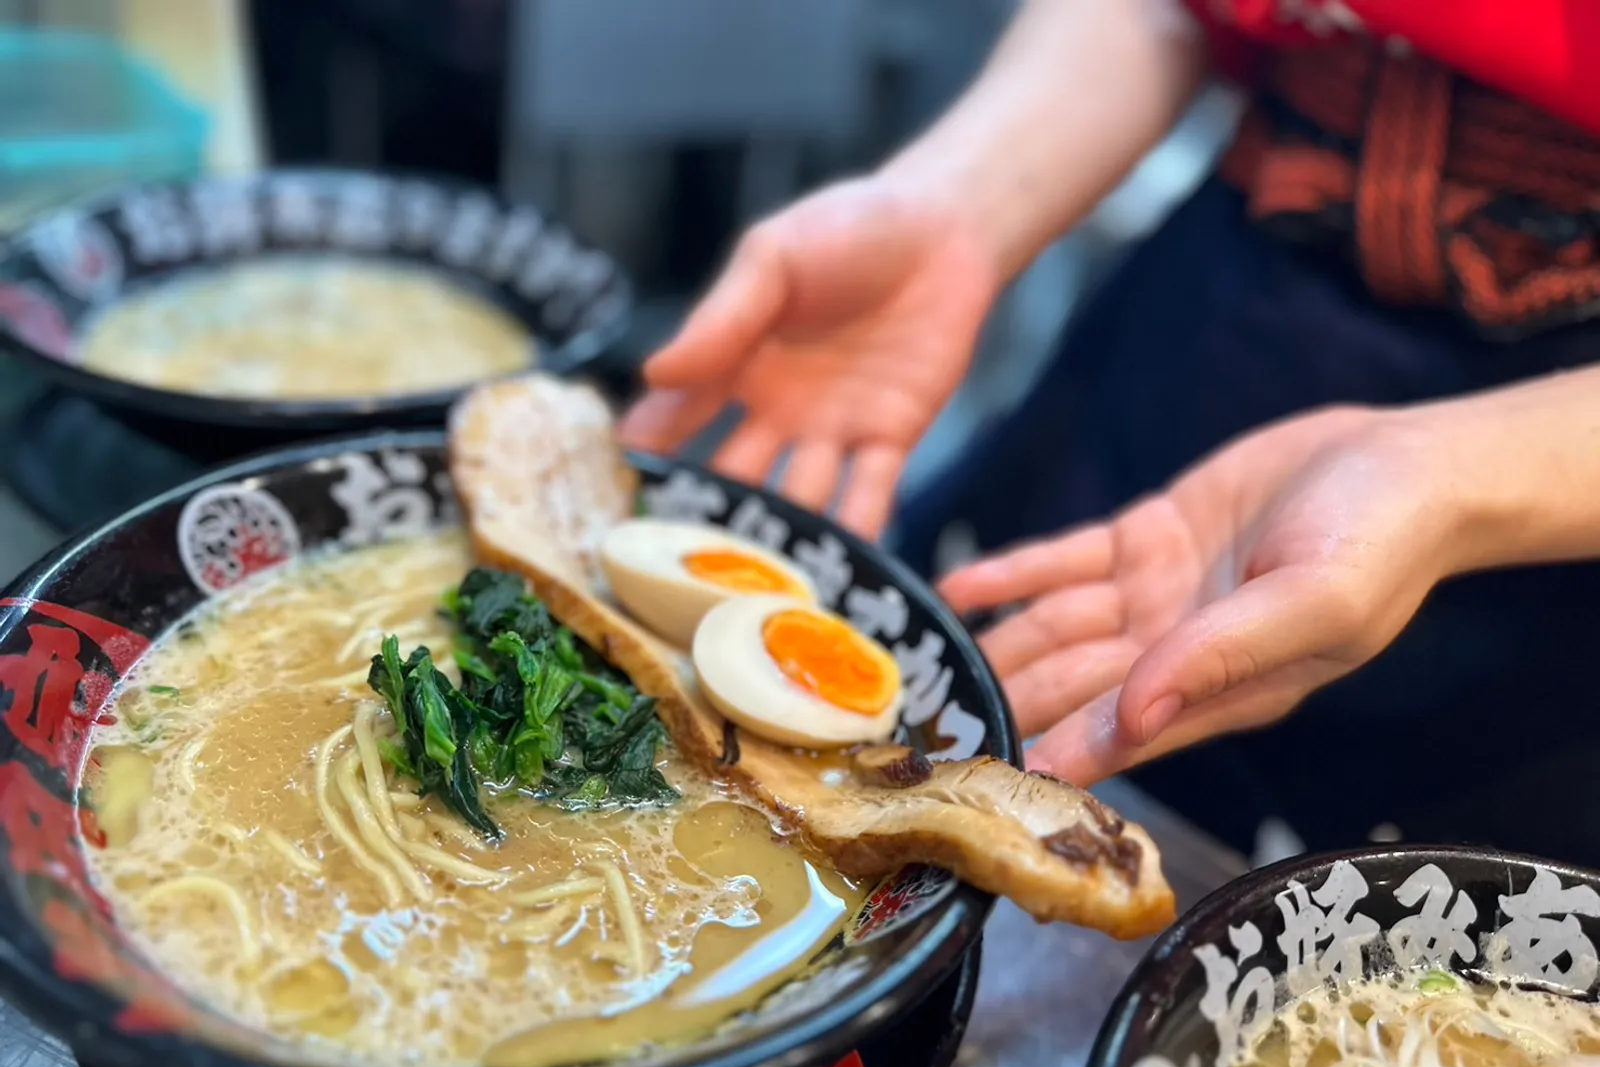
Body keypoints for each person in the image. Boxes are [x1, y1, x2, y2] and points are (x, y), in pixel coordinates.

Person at [621, 0, 1600, 861]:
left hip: (1547, 515)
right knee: (913, 755)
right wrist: (960, 201)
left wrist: (1442, 474)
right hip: (1212, 324)